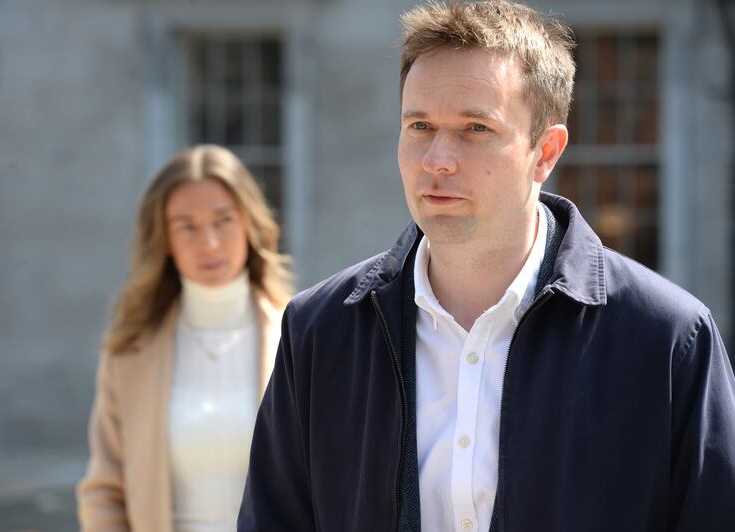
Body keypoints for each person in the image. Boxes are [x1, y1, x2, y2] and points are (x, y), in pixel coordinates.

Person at [238, 1, 735, 531]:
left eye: (475, 128)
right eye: (420, 125)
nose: (436, 160)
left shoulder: (668, 339)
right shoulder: (320, 331)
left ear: (545, 152)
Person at [76, 144, 292, 532]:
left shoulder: (299, 338)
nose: (208, 243)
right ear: (165, 241)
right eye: (186, 226)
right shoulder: (130, 352)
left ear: (250, 223)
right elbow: (104, 491)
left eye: (223, 220)